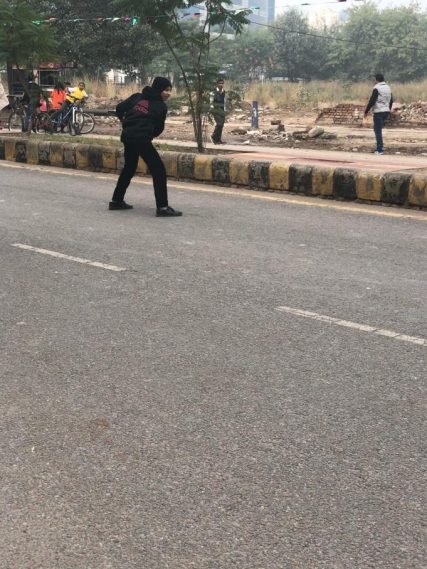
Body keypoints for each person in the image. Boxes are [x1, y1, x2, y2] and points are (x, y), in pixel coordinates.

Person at [109, 76, 182, 217]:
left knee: (129, 168)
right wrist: (148, 134)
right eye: (166, 90)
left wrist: (126, 124)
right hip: (141, 139)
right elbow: (159, 128)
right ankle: (162, 207)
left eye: (170, 90)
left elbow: (119, 109)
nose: (168, 93)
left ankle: (116, 201)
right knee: (158, 170)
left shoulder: (137, 97)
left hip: (128, 137)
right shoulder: (160, 106)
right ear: (159, 89)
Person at [364, 73, 393, 155]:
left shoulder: (376, 88)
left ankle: (380, 149)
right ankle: (380, 147)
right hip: (386, 111)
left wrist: (366, 111)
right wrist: (388, 109)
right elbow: (391, 100)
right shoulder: (388, 87)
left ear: (376, 80)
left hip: (378, 112)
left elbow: (372, 101)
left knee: (377, 131)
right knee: (378, 129)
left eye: (374, 80)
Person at [210, 78, 226, 144]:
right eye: (220, 83)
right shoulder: (213, 92)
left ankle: (218, 139)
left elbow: (225, 101)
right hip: (216, 110)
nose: (221, 84)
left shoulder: (224, 92)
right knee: (219, 124)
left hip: (222, 110)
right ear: (217, 84)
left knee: (221, 125)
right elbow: (211, 102)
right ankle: (213, 136)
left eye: (222, 83)